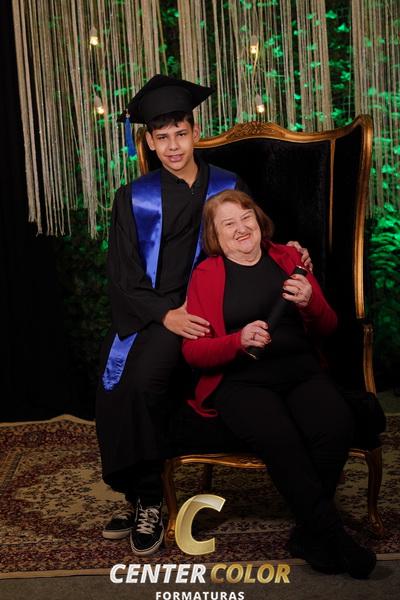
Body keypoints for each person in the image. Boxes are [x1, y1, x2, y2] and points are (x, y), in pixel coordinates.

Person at [96, 75, 312, 556]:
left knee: (151, 380)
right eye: (162, 137)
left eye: (181, 134)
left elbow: (250, 235)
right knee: (130, 382)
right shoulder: (133, 197)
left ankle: (148, 496)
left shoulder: (228, 184)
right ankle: (145, 496)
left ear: (196, 132)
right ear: (149, 142)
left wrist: (289, 250)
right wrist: (166, 316)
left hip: (218, 305)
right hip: (162, 311)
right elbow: (124, 275)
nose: (173, 146)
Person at [182, 189, 376, 579]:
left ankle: (307, 535)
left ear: (259, 220)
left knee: (336, 423)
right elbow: (193, 353)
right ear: (215, 236)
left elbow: (329, 325)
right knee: (281, 438)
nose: (241, 229)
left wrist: (310, 301)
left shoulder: (288, 257)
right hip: (240, 381)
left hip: (300, 370)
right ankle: (333, 536)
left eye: (246, 218)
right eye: (228, 224)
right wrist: (237, 340)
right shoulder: (206, 275)